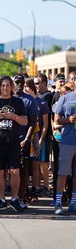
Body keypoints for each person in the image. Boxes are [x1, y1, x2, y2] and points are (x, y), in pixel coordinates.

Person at [0, 76, 27, 212]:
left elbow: (25, 121)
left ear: (11, 87)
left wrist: (13, 117)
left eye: (8, 85)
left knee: (15, 171)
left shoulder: (18, 102)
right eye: (3, 85)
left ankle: (15, 199)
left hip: (13, 142)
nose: (5, 88)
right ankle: (1, 200)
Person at [13, 74, 38, 206]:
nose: (19, 85)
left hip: (23, 140)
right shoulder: (7, 98)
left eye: (21, 83)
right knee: (6, 169)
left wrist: (27, 139)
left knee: (23, 170)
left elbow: (33, 122)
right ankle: (9, 196)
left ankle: (21, 196)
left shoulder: (30, 100)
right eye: (16, 82)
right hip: (8, 140)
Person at [53, 86, 76, 214]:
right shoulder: (66, 98)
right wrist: (69, 120)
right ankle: (58, 202)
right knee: (62, 173)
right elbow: (56, 120)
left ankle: (74, 201)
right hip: (68, 141)